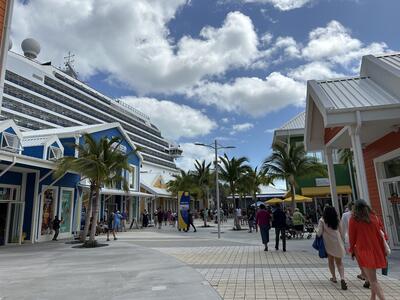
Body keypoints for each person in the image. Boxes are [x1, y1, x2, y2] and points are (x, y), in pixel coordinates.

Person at [349, 200, 388, 300]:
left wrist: (352, 250)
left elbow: (352, 237)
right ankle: (372, 297)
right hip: (376, 250)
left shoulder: (354, 219)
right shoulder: (374, 217)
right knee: (373, 277)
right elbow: (382, 233)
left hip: (364, 251)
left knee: (373, 280)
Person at [317, 206, 347, 290]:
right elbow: (342, 232)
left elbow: (319, 233)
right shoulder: (337, 219)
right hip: (337, 241)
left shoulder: (322, 220)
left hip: (328, 243)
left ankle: (334, 277)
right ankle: (342, 278)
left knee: (331, 261)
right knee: (339, 262)